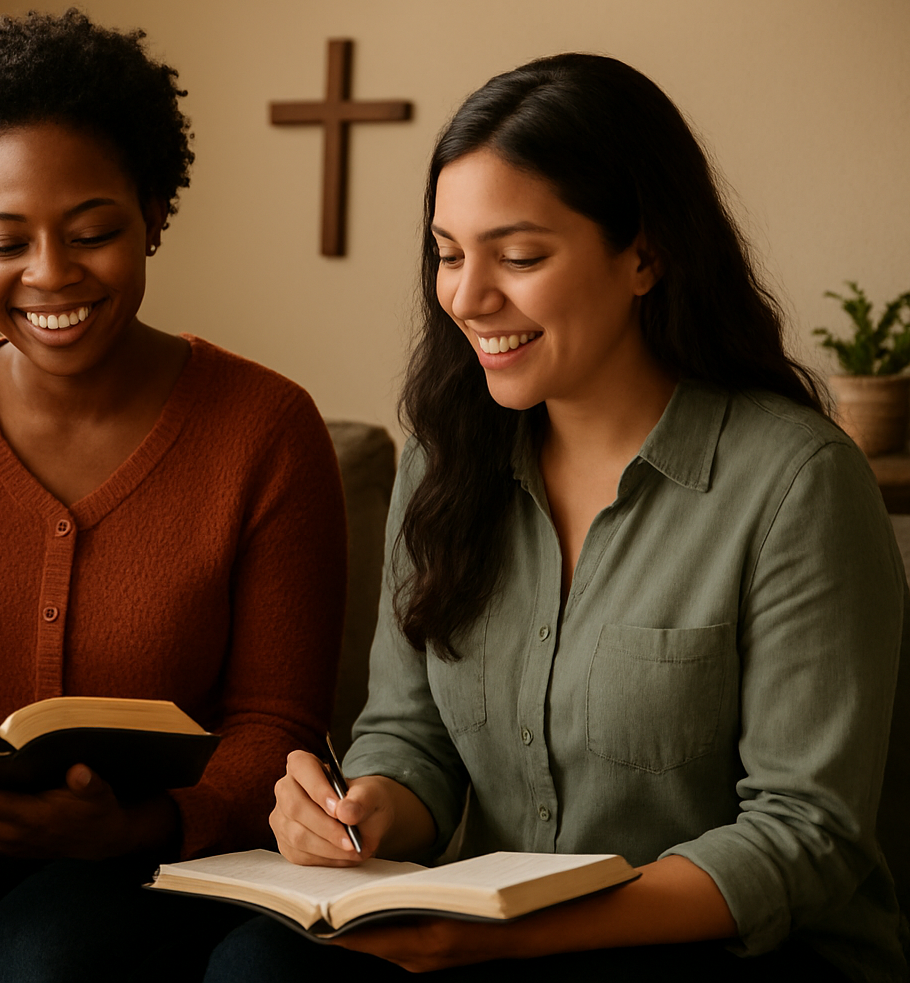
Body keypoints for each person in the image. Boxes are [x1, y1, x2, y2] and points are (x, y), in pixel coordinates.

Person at [204, 54, 907, 982]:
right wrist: (362, 807)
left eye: (520, 256)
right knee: (257, 967)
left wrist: (517, 936)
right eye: (449, 255)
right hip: (496, 944)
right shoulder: (443, 464)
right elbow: (410, 737)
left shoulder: (796, 482)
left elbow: (805, 836)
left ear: (646, 255)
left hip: (731, 949)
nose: (466, 296)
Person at [0, 9, 348, 982]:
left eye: (93, 231)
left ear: (153, 211)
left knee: (41, 960)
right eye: (4, 240)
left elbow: (277, 724)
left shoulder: (269, 430)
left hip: (169, 847)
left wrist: (136, 824)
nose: (50, 275)